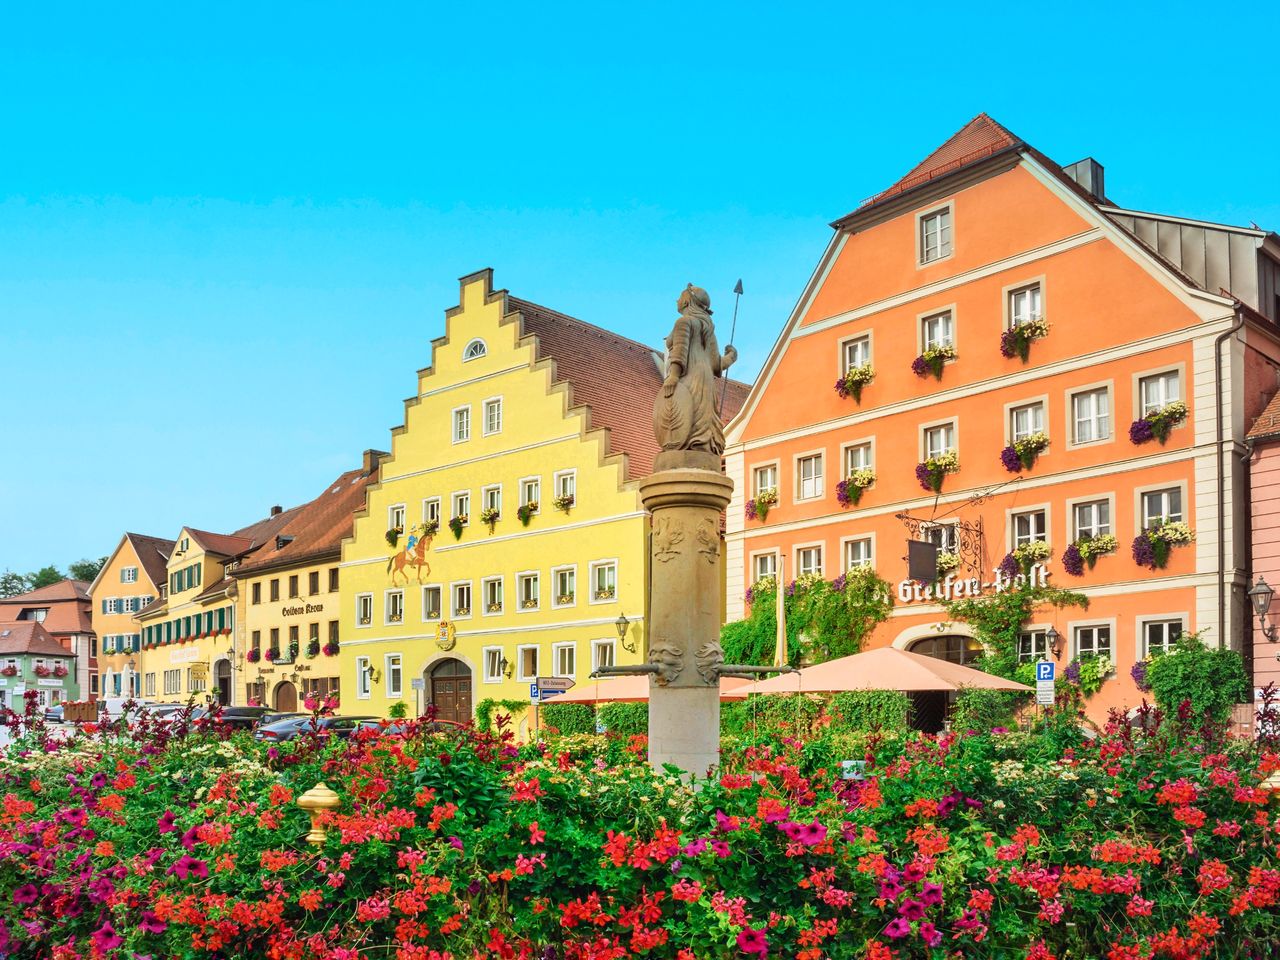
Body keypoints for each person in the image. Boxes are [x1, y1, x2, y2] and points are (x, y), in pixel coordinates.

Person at [654, 284, 738, 456]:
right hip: (706, 379)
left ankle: (685, 453)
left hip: (690, 377)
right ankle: (700, 449)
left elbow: (680, 351)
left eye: (680, 295)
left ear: (687, 301)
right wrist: (731, 357)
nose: (677, 299)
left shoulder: (683, 322)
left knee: (686, 416)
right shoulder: (707, 329)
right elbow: (716, 364)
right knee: (701, 421)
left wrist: (673, 377)